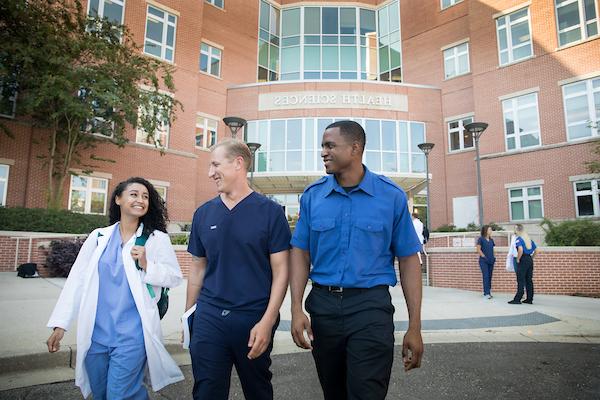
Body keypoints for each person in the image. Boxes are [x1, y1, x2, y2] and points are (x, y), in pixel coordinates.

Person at [290, 120, 424, 400]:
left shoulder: (391, 197)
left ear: (355, 148)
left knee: (366, 393)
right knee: (333, 393)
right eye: (322, 146)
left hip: (370, 309)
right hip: (323, 309)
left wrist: (415, 326)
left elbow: (409, 260)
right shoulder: (313, 197)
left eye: (330, 146)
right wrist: (296, 309)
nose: (323, 152)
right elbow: (300, 254)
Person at [46, 177, 184, 399]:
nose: (140, 200)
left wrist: (148, 265)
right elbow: (77, 281)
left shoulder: (156, 239)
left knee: (120, 394)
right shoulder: (99, 237)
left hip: (133, 335)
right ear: (118, 199)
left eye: (146, 196)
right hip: (96, 335)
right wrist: (60, 324)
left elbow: (174, 277)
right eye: (134, 194)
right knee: (101, 393)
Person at [186, 139, 290, 400]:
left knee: (258, 392)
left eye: (215, 165)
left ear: (238, 163)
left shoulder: (271, 213)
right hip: (209, 317)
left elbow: (281, 272)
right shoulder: (203, 214)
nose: (210, 173)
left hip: (253, 317)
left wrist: (267, 321)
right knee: (206, 392)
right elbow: (198, 268)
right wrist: (189, 319)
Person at [508, 224, 538, 304]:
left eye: (515, 230)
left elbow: (520, 250)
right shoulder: (528, 239)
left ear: (517, 230)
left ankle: (517, 299)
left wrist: (518, 258)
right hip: (529, 259)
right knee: (529, 280)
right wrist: (531, 258)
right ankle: (529, 299)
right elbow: (537, 250)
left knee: (520, 280)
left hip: (523, 260)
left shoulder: (519, 239)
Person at [476, 224, 496, 299]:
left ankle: (489, 292)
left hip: (491, 260)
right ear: (486, 231)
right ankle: (486, 293)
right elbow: (478, 249)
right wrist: (484, 257)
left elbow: (493, 249)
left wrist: (494, 257)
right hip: (483, 261)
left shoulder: (491, 240)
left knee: (490, 276)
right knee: (486, 276)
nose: (491, 231)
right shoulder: (481, 239)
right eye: (489, 229)